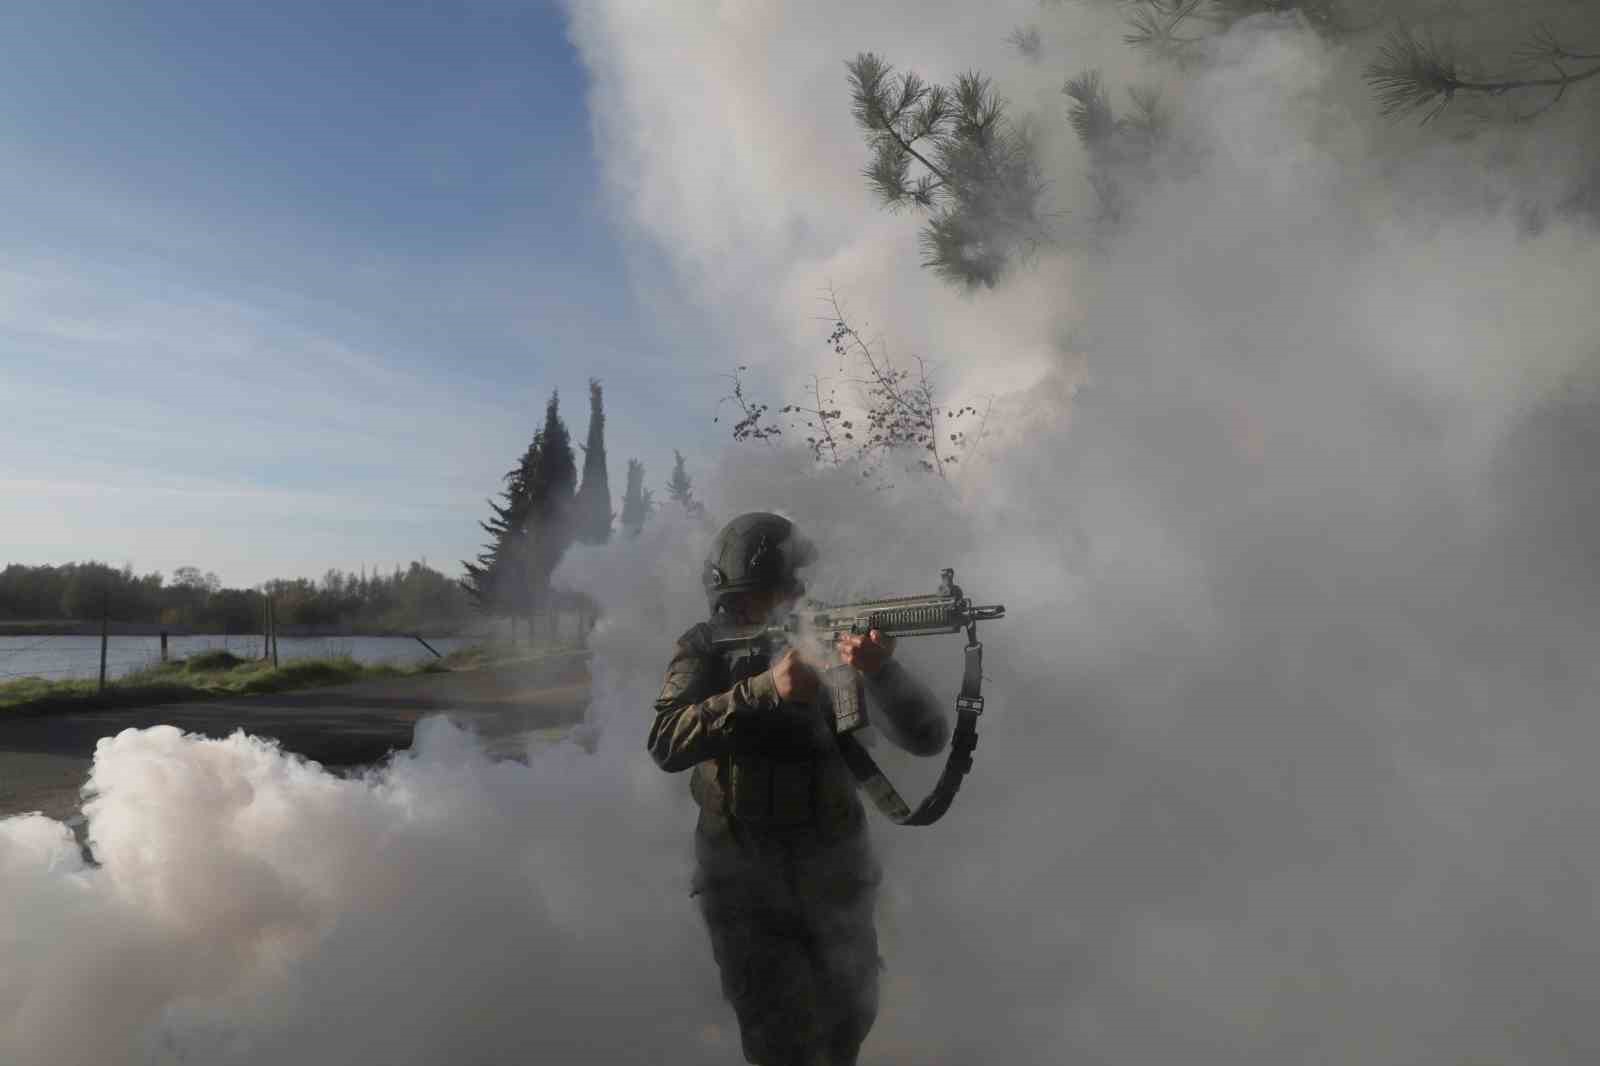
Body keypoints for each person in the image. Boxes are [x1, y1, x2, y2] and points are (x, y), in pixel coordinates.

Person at [649, 511, 949, 1066]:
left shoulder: (827, 633)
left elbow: (928, 738)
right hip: (746, 884)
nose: (786, 599)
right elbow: (666, 739)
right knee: (783, 1046)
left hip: (835, 876)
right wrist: (765, 688)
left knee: (847, 1026)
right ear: (732, 600)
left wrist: (881, 672)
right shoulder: (705, 648)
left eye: (788, 587)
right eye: (767, 593)